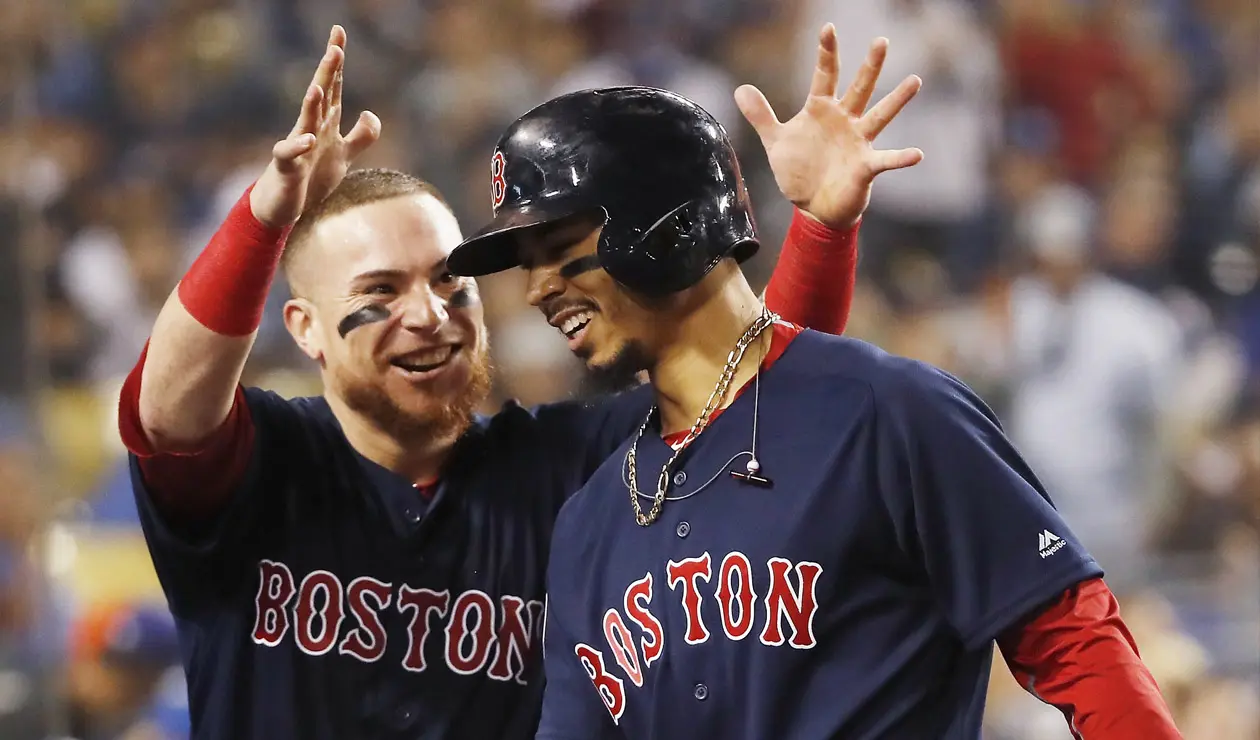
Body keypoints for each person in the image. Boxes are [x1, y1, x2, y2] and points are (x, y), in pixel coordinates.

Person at [118, 23, 903, 740]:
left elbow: (752, 392)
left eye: (448, 284)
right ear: (305, 331)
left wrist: (823, 227)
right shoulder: (264, 465)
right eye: (378, 294)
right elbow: (166, 407)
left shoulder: (568, 469)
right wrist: (267, 215)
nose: (428, 315)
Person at [448, 39, 1184, 740]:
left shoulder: (889, 413)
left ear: (664, 230)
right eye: (526, 262)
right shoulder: (590, 519)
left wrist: (822, 234)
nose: (538, 288)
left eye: (559, 252)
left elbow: (1076, 642)